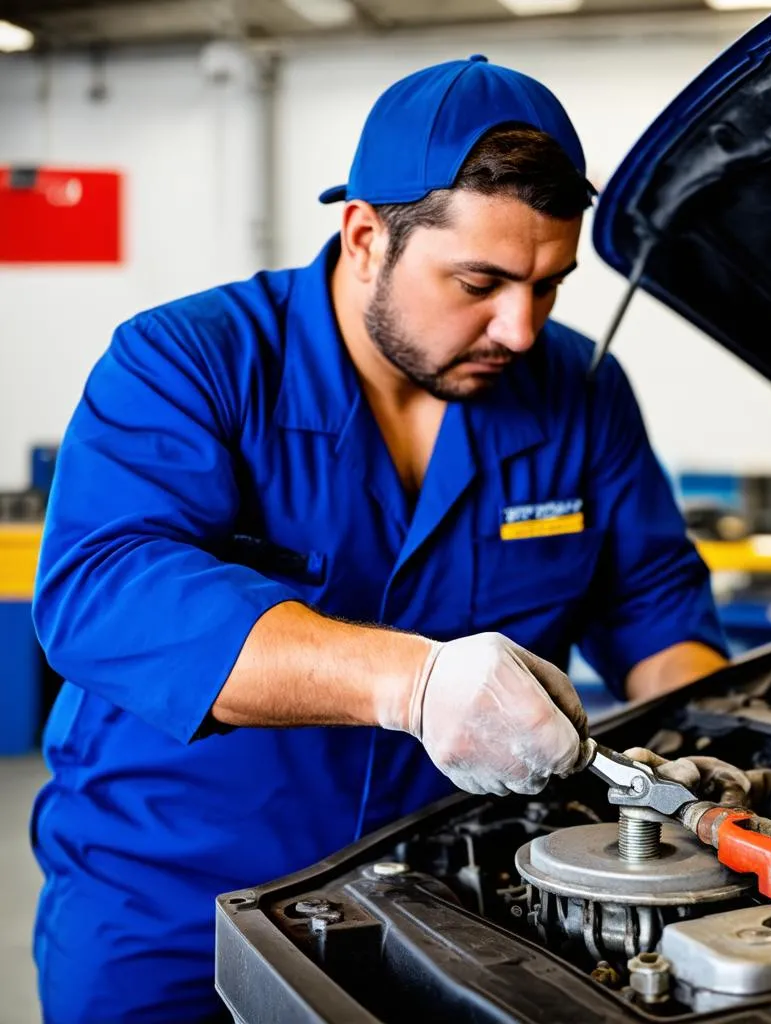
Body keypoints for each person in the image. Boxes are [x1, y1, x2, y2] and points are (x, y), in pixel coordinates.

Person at [30, 54, 728, 1023]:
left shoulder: (578, 390)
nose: (521, 330)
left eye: (550, 285)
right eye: (480, 281)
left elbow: (652, 610)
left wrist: (704, 752)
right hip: (173, 908)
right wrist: (411, 681)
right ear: (365, 235)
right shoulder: (191, 361)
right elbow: (107, 590)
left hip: (460, 903)